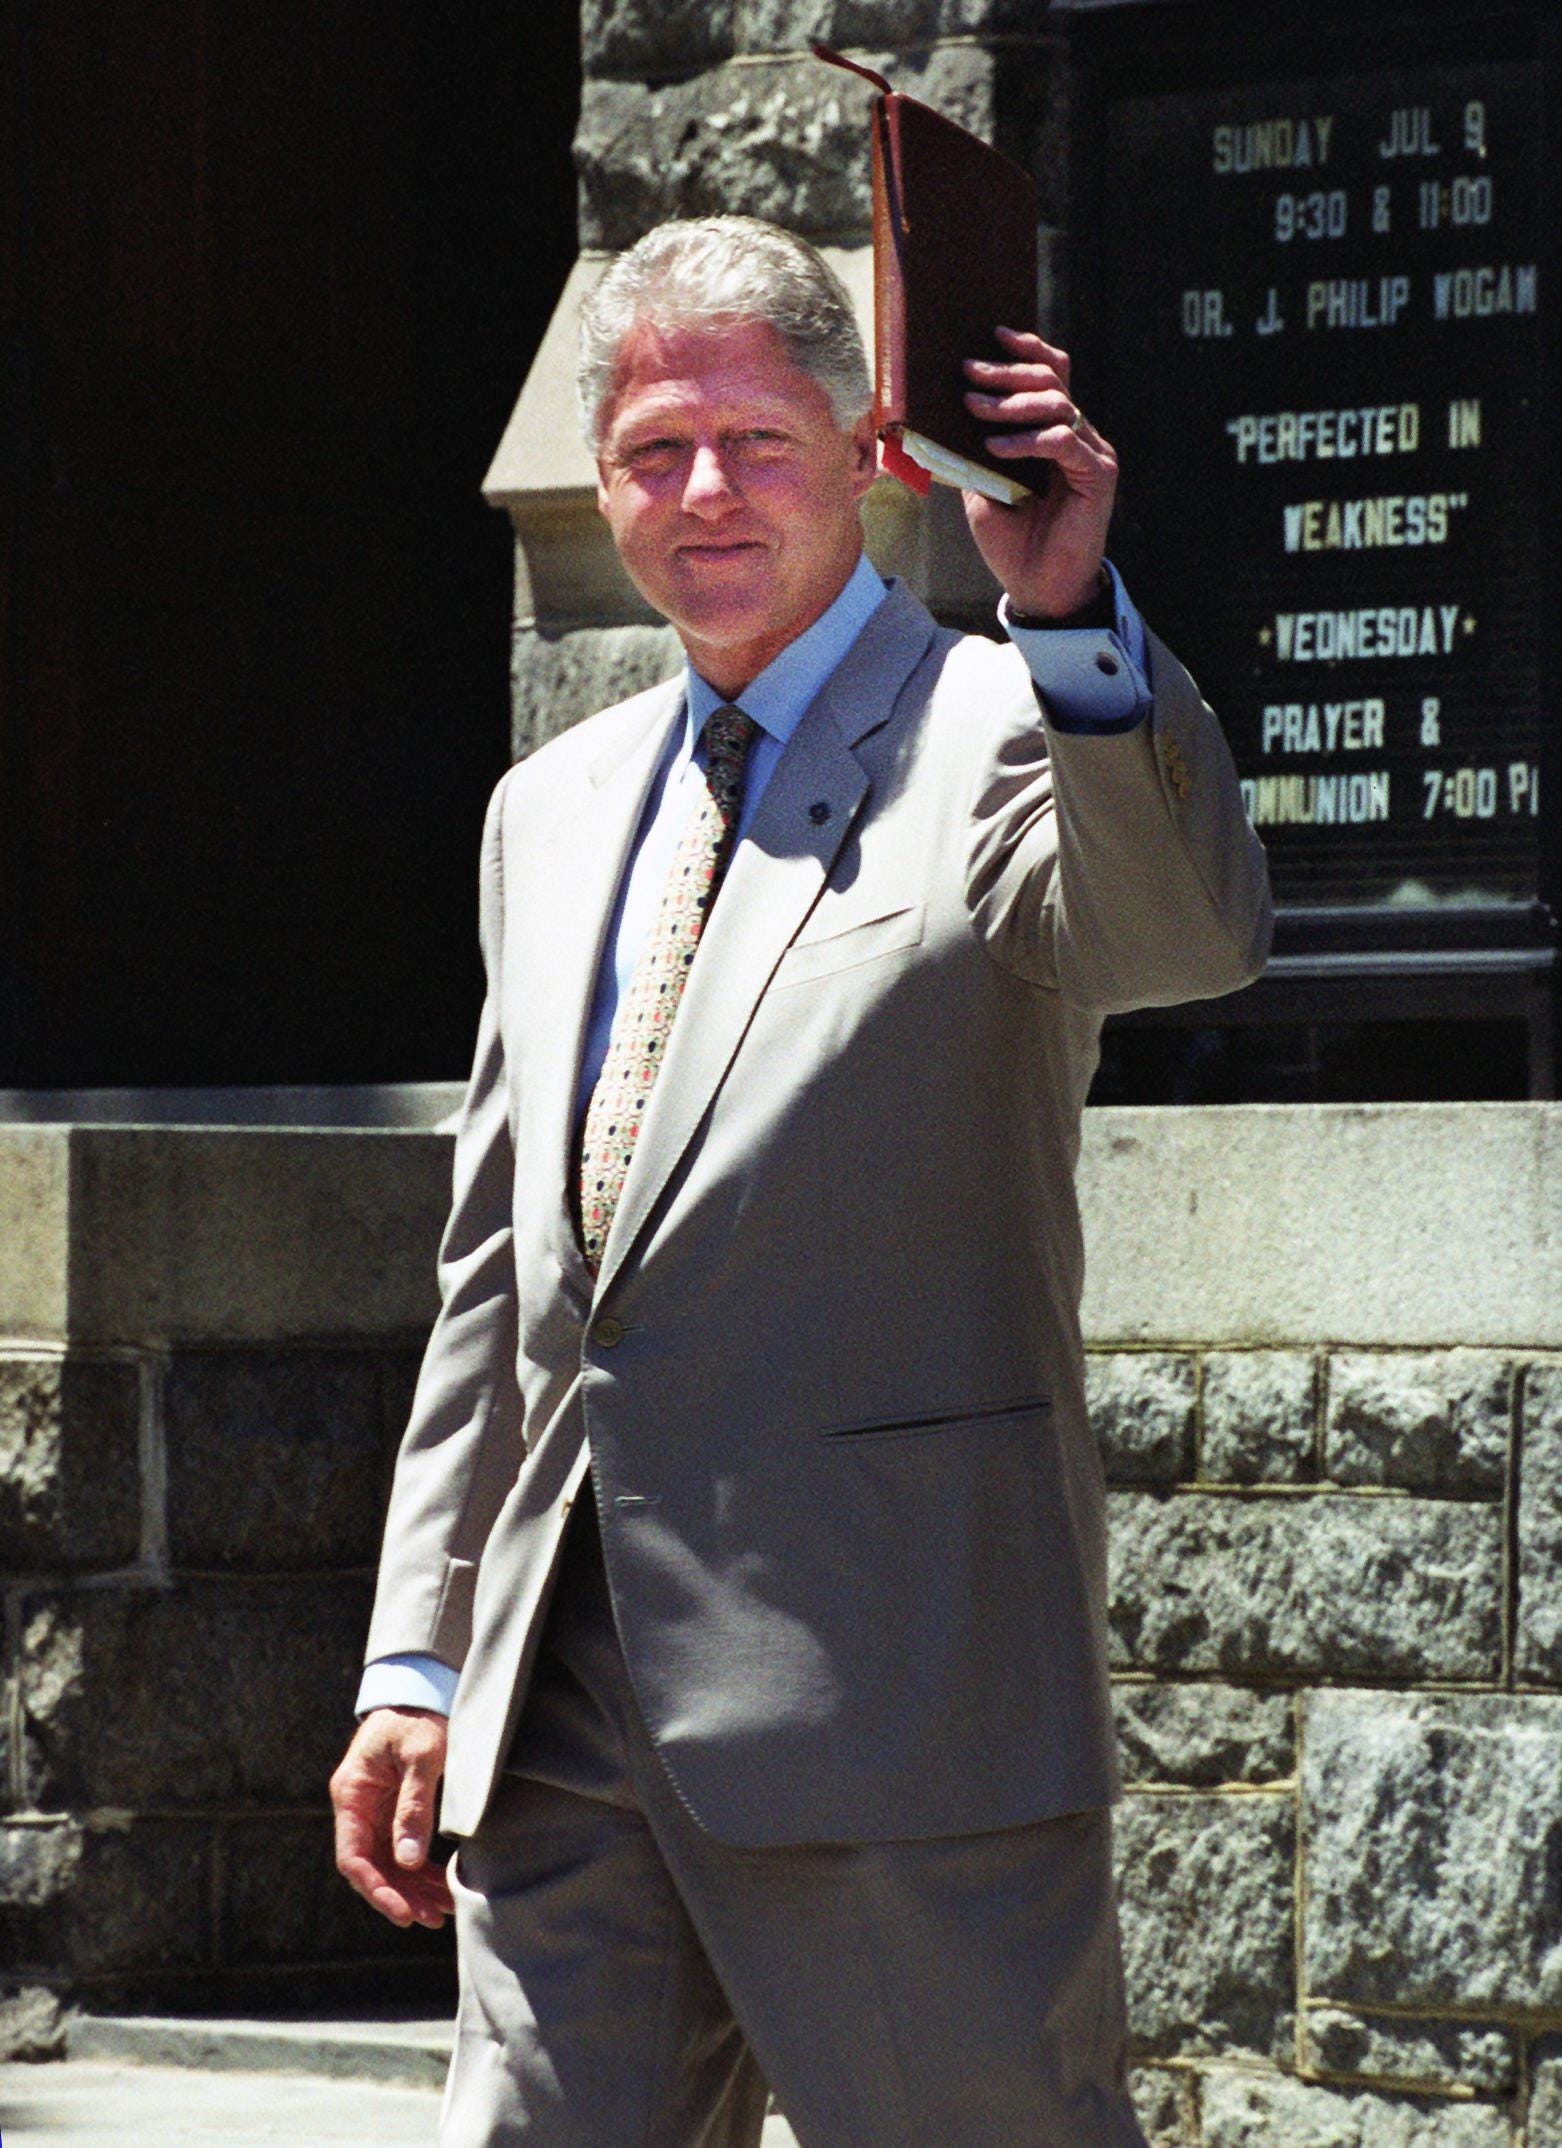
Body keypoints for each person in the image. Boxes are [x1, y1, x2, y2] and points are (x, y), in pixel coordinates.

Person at [331, 215, 1271, 2146]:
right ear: (600, 488)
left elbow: (1183, 935)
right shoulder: (553, 804)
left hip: (895, 1720)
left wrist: (1075, 614)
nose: (702, 494)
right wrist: (418, 1656)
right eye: (654, 453)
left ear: (864, 456)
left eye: (756, 443)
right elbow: (507, 1263)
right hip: (560, 1725)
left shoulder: (1016, 728)